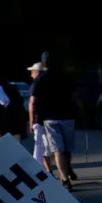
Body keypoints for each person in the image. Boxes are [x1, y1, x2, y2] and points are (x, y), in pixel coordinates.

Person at [29, 55, 80, 191]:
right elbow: (75, 97)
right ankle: (67, 169)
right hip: (68, 116)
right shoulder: (65, 77)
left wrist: (32, 120)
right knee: (68, 148)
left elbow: (33, 102)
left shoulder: (40, 79)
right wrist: (81, 112)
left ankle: (64, 180)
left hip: (50, 118)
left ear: (43, 64)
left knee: (58, 150)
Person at [26, 62, 53, 172]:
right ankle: (49, 171)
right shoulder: (49, 84)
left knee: (40, 148)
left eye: (32, 72)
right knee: (47, 148)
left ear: (37, 72)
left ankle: (41, 171)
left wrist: (31, 121)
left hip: (39, 120)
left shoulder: (35, 85)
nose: (31, 74)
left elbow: (32, 103)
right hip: (49, 118)